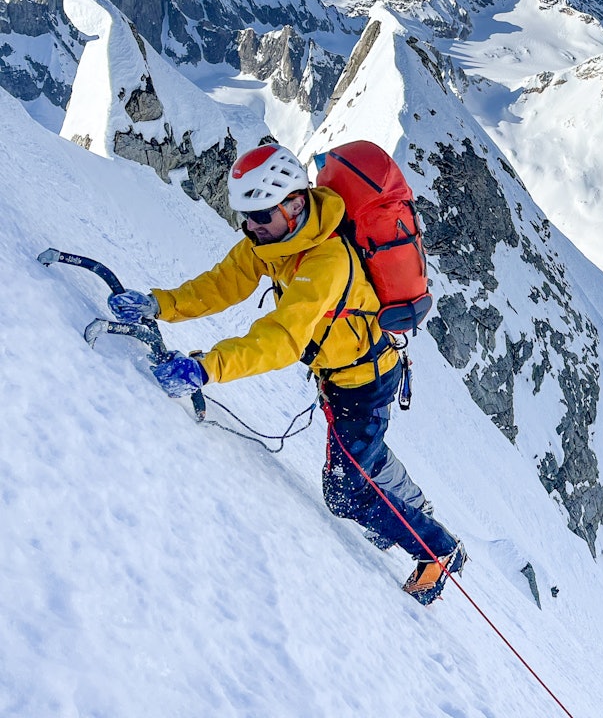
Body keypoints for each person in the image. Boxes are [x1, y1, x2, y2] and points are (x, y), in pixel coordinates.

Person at [108, 143, 466, 604]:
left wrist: (206, 368)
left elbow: (281, 338)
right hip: (339, 373)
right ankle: (398, 499)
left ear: (295, 204)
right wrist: (161, 304)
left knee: (343, 494)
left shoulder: (327, 260)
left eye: (259, 216)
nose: (250, 228)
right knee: (360, 457)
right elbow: (224, 283)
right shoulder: (273, 240)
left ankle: (438, 550)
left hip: (363, 382)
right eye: (245, 218)